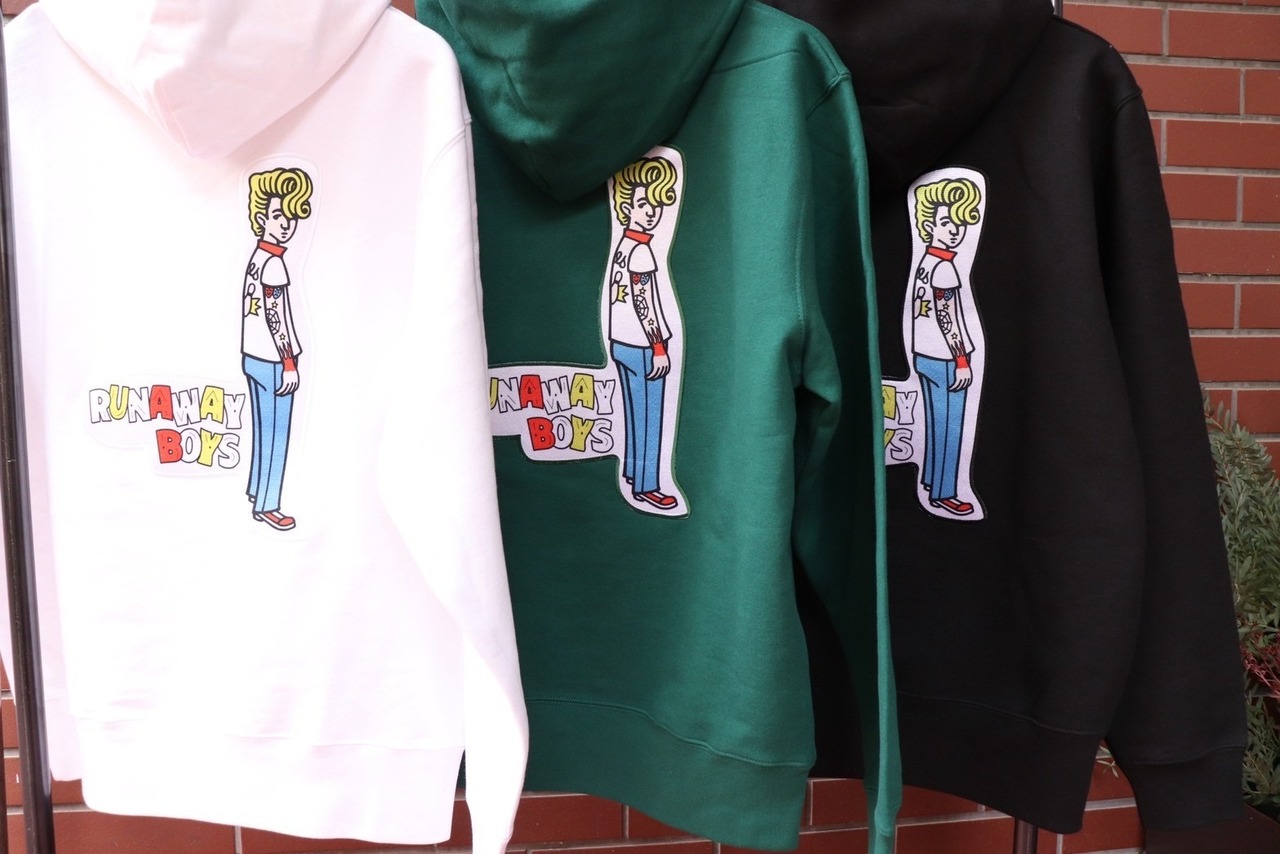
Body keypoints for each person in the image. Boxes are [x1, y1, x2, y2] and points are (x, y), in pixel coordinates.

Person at [606, 155, 680, 511]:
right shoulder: (641, 252)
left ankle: (634, 474)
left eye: (655, 204)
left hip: (620, 342)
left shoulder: (624, 246)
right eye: (642, 204)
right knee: (650, 417)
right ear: (627, 208)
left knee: (633, 413)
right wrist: (659, 347)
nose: (651, 212)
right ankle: (648, 486)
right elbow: (644, 303)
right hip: (642, 346)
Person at [241, 166, 312, 530]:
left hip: (251, 356)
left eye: (291, 217)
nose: (285, 224)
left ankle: (257, 489)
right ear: (262, 218)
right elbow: (276, 317)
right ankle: (268, 505)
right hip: (271, 360)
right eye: (277, 216)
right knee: (276, 433)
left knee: (262, 427)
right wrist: (289, 363)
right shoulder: (274, 265)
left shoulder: (257, 258)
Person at [910, 175, 980, 516]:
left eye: (959, 223)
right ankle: (944, 493)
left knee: (934, 424)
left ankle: (930, 481)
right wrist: (962, 360)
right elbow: (947, 318)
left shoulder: (926, 263)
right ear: (929, 226)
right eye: (945, 223)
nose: (954, 230)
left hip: (923, 355)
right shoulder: (945, 269)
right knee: (950, 428)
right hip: (945, 359)